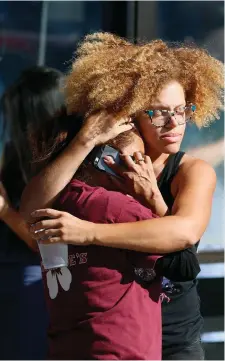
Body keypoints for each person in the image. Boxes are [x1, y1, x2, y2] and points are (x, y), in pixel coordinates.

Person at [20, 33, 224, 360]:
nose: (174, 123)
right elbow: (30, 209)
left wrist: (88, 232)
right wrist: (85, 141)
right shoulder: (103, 165)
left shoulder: (193, 171)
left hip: (174, 338)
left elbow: (183, 233)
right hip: (109, 335)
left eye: (182, 109)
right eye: (158, 112)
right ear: (131, 113)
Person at [0, 65, 70, 359]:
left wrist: (4, 210)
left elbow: (47, 243)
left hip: (34, 284)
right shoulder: (16, 154)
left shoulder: (63, 165)